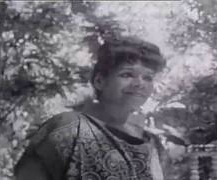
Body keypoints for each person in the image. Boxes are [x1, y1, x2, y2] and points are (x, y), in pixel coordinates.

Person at [14, 36, 166, 180]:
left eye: (148, 77)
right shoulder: (69, 127)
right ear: (100, 81)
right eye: (127, 75)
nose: (140, 84)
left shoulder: (151, 144)